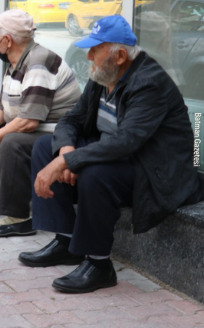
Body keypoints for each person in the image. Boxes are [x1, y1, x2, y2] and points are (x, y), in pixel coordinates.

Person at [19, 15, 203, 294]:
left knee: (95, 172)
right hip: (125, 158)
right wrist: (67, 151)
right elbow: (71, 120)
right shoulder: (102, 76)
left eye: (95, 49)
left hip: (157, 172)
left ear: (119, 56)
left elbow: (127, 140)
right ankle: (67, 241)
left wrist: (69, 161)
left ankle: (99, 264)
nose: (88, 55)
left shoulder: (148, 82)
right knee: (47, 146)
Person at [0, 9, 81, 237]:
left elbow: (28, 122)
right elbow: (1, 106)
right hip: (35, 127)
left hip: (56, 133)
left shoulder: (39, 62)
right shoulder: (16, 61)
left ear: (7, 41)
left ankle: (19, 217)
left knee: (12, 141)